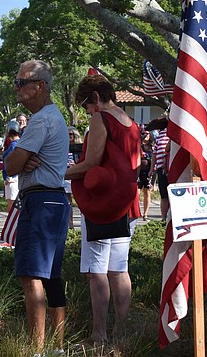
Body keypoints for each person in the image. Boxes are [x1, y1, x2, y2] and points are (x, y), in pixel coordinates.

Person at [65, 74, 141, 345]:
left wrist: (62, 172)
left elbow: (92, 162)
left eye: (86, 105)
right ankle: (122, 332)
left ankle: (99, 335)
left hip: (103, 204)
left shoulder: (102, 118)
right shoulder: (130, 121)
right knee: (119, 269)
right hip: (127, 204)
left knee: (97, 271)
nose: (87, 112)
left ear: (96, 98)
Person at [4, 60, 70, 355]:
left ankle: (36, 349)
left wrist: (19, 159)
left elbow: (10, 164)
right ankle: (56, 346)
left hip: (41, 201)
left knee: (31, 276)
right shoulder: (52, 117)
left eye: (21, 82)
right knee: (52, 277)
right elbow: (16, 163)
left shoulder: (41, 120)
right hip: (54, 200)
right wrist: (19, 159)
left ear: (40, 86)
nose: (16, 87)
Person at [0, 121, 21, 211]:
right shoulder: (20, 143)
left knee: (12, 209)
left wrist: (11, 177)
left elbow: (14, 162)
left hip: (12, 180)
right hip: (16, 179)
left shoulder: (13, 145)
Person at [137, 129, 154, 222]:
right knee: (137, 192)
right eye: (144, 133)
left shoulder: (152, 146)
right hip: (138, 170)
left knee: (147, 192)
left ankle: (145, 214)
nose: (146, 135)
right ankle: (137, 211)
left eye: (148, 133)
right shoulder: (138, 145)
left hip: (148, 171)